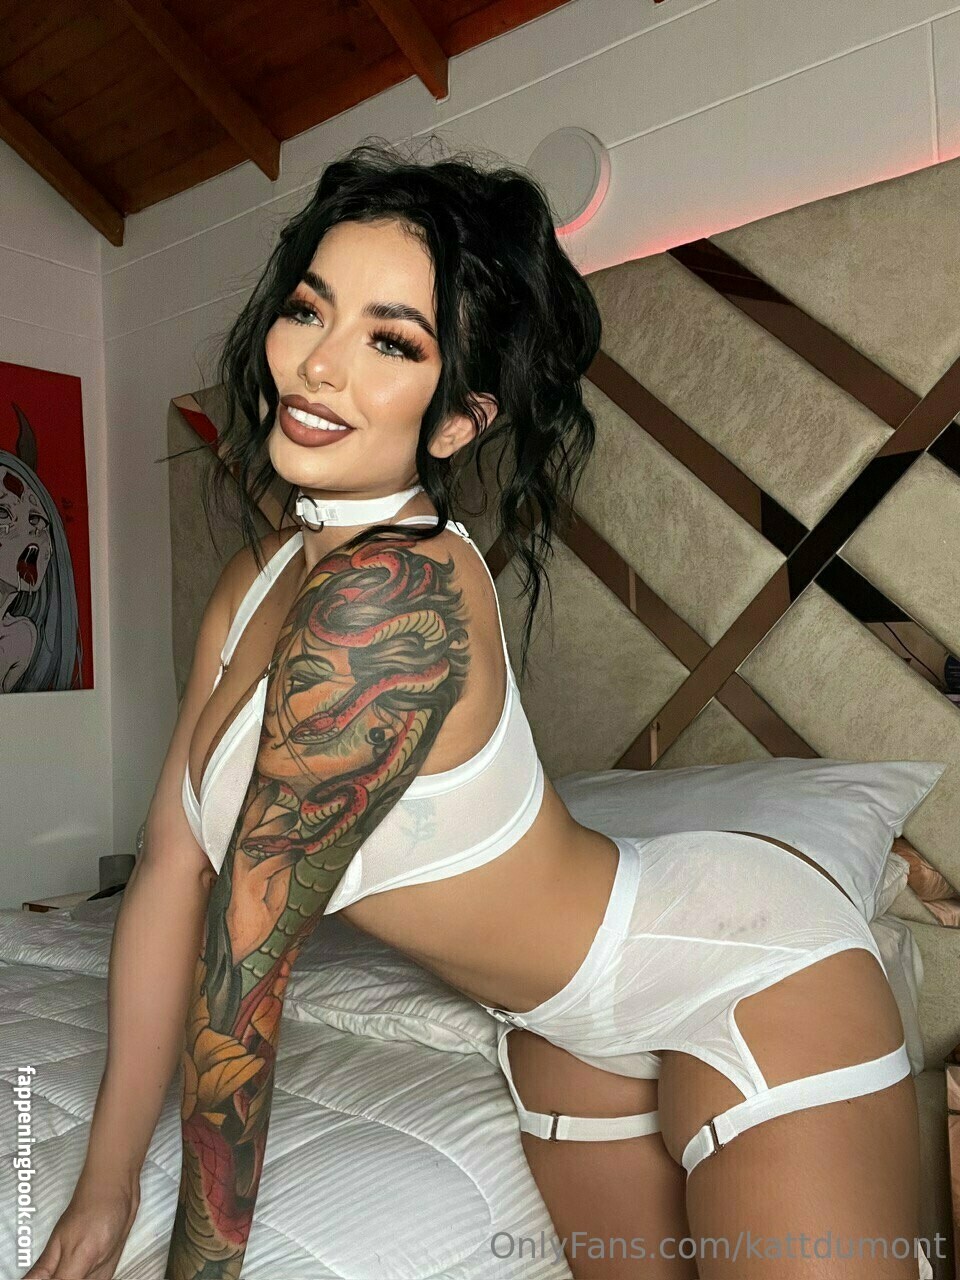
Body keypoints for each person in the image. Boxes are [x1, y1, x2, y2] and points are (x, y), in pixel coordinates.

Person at [25, 136, 923, 1280]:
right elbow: (169, 869)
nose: (319, 366)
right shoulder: (253, 577)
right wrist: (103, 1191)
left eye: (390, 340)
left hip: (742, 965)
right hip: (559, 1026)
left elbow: (244, 969)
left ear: (457, 421)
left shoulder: (394, 597)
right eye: (309, 310)